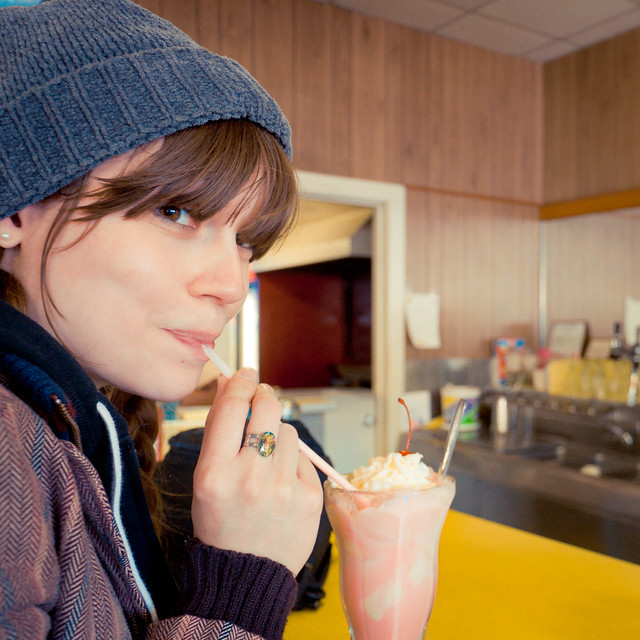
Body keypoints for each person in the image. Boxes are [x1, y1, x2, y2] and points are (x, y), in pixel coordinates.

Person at [0, 1, 323, 639]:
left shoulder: (65, 430)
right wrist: (238, 585)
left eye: (246, 242)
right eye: (176, 212)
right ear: (15, 209)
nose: (232, 286)